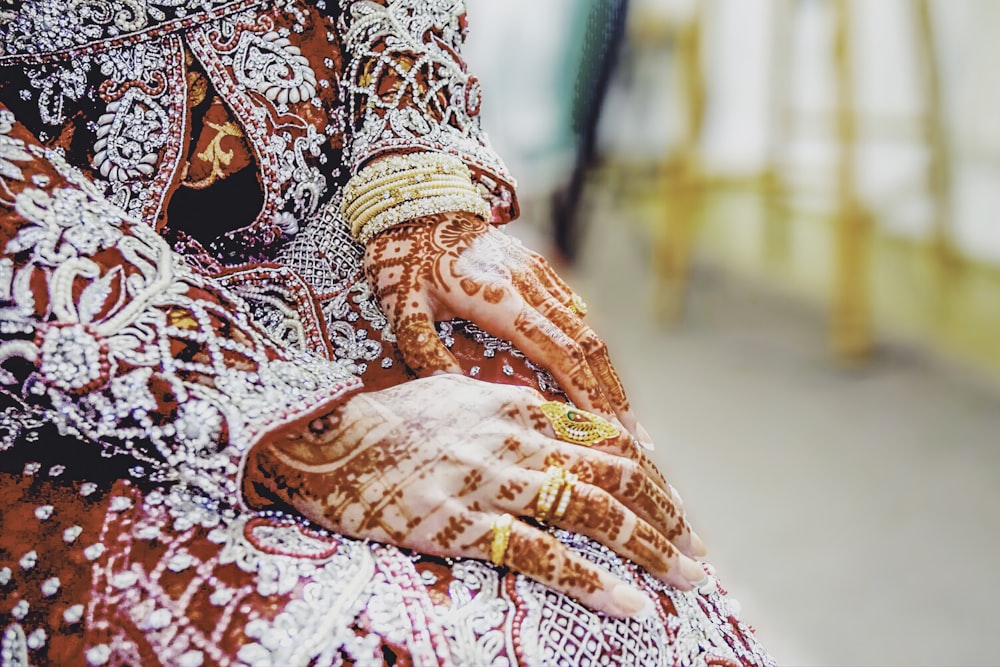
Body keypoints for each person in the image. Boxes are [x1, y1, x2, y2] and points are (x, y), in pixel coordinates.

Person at [0, 1, 773, 665]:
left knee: (604, 540)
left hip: (353, 214)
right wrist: (300, 428)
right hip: (59, 324)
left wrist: (418, 184)